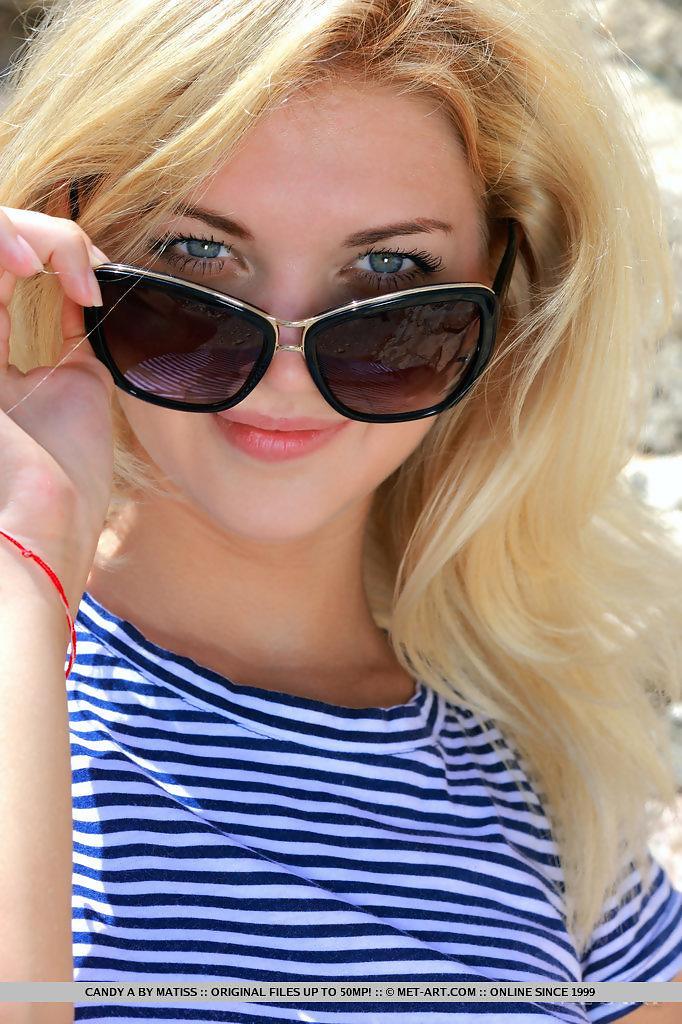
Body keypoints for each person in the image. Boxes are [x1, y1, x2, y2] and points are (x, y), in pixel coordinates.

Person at [0, 0, 680, 1021]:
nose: (286, 370)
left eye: (390, 271)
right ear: (73, 254)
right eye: (195, 256)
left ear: (504, 296)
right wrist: (22, 562)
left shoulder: (561, 803)